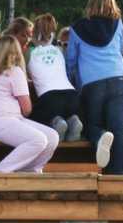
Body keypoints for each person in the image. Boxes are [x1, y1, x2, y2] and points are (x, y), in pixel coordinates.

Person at [64, 0, 123, 174]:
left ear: (90, 5)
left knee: (92, 124)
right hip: (119, 79)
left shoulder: (77, 28)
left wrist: (73, 83)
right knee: (118, 129)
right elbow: (121, 50)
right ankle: (119, 176)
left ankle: (100, 136)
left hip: (93, 84)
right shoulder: (119, 24)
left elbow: (71, 61)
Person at [0, 32, 60, 172]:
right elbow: (27, 109)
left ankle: (30, 171)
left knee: (52, 137)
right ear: (17, 53)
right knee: (39, 140)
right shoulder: (15, 71)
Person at [26, 12, 82, 141]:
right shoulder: (59, 50)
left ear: (34, 33)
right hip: (71, 97)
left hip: (49, 98)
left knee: (33, 118)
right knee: (67, 113)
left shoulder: (29, 52)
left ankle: (55, 122)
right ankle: (73, 120)